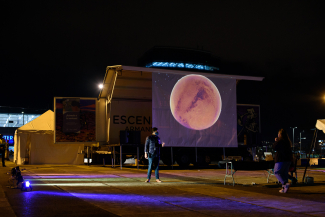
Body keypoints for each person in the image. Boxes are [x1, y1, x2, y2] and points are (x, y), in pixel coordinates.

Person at [273, 129, 293, 193]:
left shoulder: (280, 141)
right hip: (288, 160)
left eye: (278, 134)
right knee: (284, 174)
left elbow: (274, 147)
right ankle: (284, 189)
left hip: (281, 160)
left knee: (277, 172)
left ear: (280, 134)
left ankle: (284, 183)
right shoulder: (288, 142)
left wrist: (276, 141)